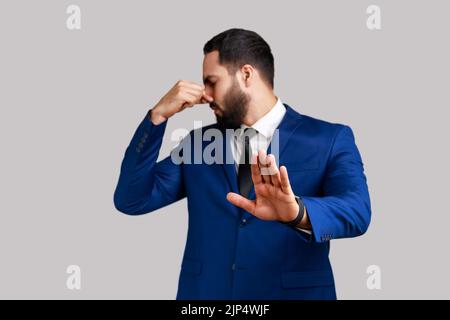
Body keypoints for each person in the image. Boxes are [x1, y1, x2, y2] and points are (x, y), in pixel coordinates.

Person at [113, 28, 371, 300]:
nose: (206, 96)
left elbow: (357, 211)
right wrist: (157, 118)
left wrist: (297, 212)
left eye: (212, 82)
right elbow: (132, 199)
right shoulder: (198, 144)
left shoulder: (329, 138)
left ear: (246, 74)